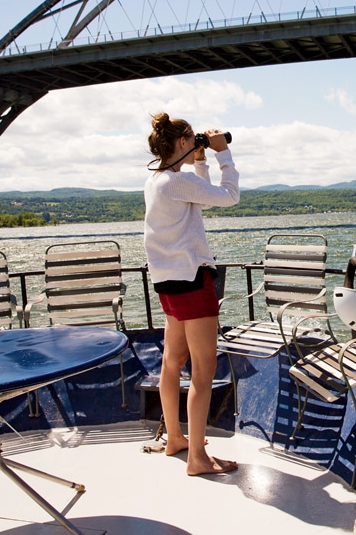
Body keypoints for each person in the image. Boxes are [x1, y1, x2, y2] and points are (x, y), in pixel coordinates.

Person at [144, 113, 240, 475]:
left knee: (172, 362)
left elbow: (197, 198)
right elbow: (228, 197)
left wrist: (199, 161)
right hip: (192, 282)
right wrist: (222, 154)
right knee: (203, 370)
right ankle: (198, 458)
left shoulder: (157, 182)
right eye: (193, 142)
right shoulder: (176, 183)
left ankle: (175, 438)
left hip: (168, 283)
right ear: (183, 142)